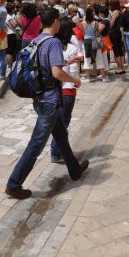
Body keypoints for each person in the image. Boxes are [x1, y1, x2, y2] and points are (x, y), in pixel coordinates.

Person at [4, 8, 90, 200]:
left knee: (60, 134)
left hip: (40, 97)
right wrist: (75, 81)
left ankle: (74, 170)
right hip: (49, 100)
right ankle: (14, 184)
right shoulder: (53, 43)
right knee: (36, 143)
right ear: (56, 22)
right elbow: (57, 73)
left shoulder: (36, 40)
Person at [50, 24, 84, 164]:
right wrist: (76, 82)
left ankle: (57, 152)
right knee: (64, 123)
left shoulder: (52, 47)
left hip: (53, 89)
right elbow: (74, 69)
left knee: (57, 122)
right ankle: (57, 152)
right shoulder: (70, 48)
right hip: (68, 88)